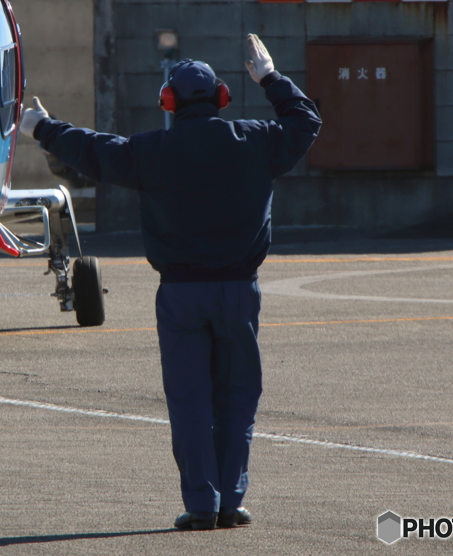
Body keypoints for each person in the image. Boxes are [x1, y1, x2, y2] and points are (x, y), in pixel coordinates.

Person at [19, 34, 322, 530]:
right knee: (237, 397)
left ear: (168, 102)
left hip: (181, 294)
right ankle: (232, 500)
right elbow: (306, 121)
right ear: (222, 97)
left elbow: (94, 151)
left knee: (189, 402)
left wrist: (42, 127)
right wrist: (269, 77)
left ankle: (201, 504)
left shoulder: (151, 151)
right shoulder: (257, 140)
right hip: (239, 289)